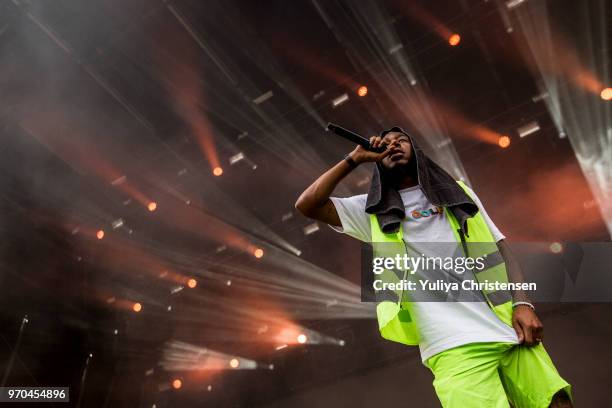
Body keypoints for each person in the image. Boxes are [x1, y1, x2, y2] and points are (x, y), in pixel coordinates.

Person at [295, 127, 572, 408]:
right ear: (377, 158)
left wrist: (523, 304)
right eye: (386, 143)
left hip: (506, 326)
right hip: (451, 345)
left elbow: (501, 249)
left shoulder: (458, 192)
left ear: (416, 150)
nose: (393, 145)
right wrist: (354, 159)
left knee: (558, 403)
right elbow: (308, 204)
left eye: (401, 140)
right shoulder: (371, 211)